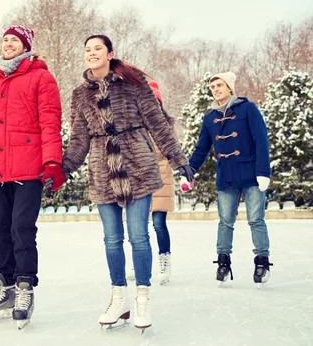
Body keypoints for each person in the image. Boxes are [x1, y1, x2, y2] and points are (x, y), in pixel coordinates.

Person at [60, 35, 194, 331]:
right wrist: (64, 168)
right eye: (87, 50)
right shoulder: (79, 94)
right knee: (111, 239)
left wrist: (178, 159)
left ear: (110, 54)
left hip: (137, 166)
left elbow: (157, 124)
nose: (92, 53)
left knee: (139, 236)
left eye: (98, 49)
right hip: (101, 169)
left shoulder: (134, 85)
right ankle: (118, 296)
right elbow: (79, 139)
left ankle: (142, 296)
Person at [0, 25, 64, 329]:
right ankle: (5, 288)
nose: (8, 44)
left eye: (14, 40)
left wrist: (52, 162)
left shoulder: (41, 77)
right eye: (5, 40)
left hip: (29, 167)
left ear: (25, 46)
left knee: (21, 229)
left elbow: (50, 122)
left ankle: (24, 289)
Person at [182, 72, 273, 288]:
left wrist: (263, 172)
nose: (215, 89)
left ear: (230, 87)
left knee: (255, 220)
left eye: (219, 85)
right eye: (212, 86)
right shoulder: (209, 118)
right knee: (225, 222)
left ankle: (262, 263)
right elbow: (201, 149)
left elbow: (261, 140)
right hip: (226, 176)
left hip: (251, 174)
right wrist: (189, 171)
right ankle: (223, 262)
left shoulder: (248, 109)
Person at [127, 81, 177, 286]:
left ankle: (164, 258)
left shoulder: (165, 125)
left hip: (161, 177)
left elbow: (172, 150)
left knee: (158, 223)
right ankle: (138, 262)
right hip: (138, 178)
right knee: (138, 225)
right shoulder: (132, 124)